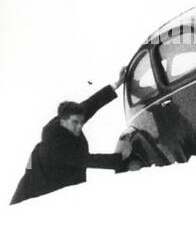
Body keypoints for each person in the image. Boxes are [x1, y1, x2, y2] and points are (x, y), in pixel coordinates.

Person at [11, 77, 130, 205]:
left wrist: (116, 84)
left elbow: (90, 104)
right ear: (62, 121)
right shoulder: (55, 146)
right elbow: (87, 160)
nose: (80, 126)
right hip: (34, 193)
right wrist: (121, 156)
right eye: (75, 122)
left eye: (81, 122)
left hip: (57, 180)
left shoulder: (68, 119)